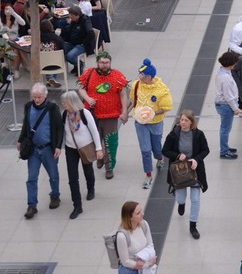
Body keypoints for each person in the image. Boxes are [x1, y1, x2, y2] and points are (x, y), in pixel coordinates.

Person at [76, 52, 128, 180]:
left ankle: (109, 166)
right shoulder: (89, 74)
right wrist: (88, 99)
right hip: (92, 115)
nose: (105, 65)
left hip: (111, 116)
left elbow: (123, 94)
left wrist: (125, 111)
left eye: (107, 62)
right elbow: (81, 89)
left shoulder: (117, 76)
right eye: (102, 62)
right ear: (97, 63)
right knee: (95, 139)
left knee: (111, 141)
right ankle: (99, 156)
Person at [17, 81, 63, 218]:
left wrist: (58, 146)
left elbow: (59, 128)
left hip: (49, 148)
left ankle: (55, 195)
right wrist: (20, 139)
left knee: (53, 176)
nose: (36, 100)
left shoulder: (53, 108)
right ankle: (32, 205)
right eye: (34, 97)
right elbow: (26, 125)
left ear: (45, 96)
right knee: (31, 178)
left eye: (39, 97)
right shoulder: (28, 107)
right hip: (33, 149)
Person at [162, 109, 209, 240]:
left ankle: (193, 225)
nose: (183, 122)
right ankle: (181, 204)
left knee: (195, 199)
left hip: (195, 171)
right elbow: (165, 150)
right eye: (181, 119)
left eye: (186, 120)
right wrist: (177, 155)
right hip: (179, 172)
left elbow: (206, 150)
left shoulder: (199, 135)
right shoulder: (173, 135)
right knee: (180, 197)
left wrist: (196, 159)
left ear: (191, 122)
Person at [131, 59, 173, 190]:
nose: (140, 76)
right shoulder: (136, 85)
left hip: (155, 123)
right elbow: (133, 101)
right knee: (145, 150)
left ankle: (160, 158)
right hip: (140, 123)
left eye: (142, 74)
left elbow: (167, 107)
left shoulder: (162, 89)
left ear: (149, 76)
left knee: (156, 148)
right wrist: (125, 114)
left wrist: (151, 113)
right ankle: (148, 175)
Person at [60, 90, 102, 219]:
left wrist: (99, 149)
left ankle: (91, 188)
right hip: (71, 148)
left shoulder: (85, 113)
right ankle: (77, 205)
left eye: (65, 103)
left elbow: (94, 131)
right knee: (72, 177)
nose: (63, 105)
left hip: (85, 147)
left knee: (87, 169)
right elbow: (63, 132)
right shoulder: (65, 115)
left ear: (72, 103)